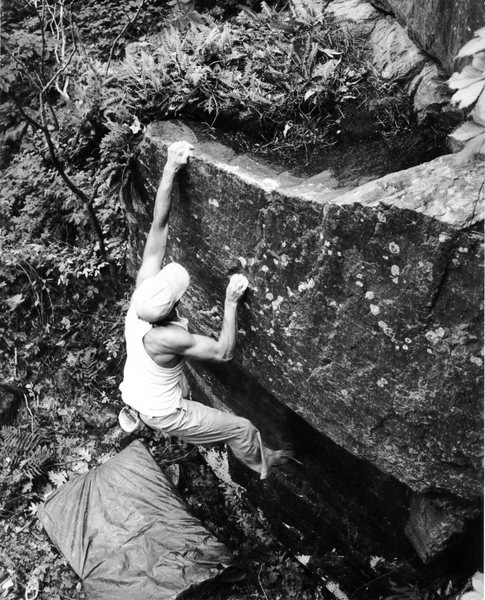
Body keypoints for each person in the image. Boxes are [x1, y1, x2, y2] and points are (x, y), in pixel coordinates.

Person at [119, 140, 291, 479]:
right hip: (164, 412)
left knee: (177, 384)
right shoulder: (167, 338)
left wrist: (171, 168)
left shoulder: (143, 296)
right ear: (175, 305)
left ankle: (149, 409)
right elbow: (224, 352)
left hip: (140, 389)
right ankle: (264, 465)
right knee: (241, 429)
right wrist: (230, 301)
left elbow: (159, 225)